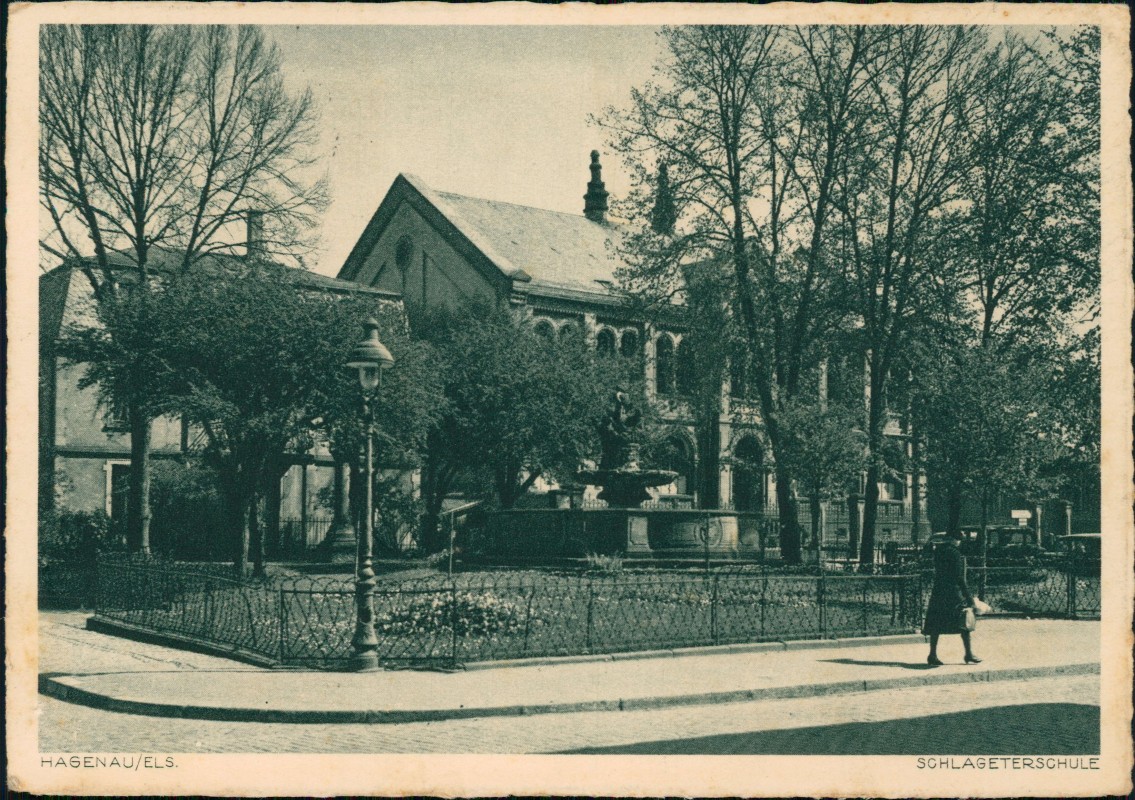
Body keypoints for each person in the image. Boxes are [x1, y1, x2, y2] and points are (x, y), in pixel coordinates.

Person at [922, 530, 981, 666]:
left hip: (938, 592)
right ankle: (968, 654)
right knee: (964, 621)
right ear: (956, 540)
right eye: (959, 540)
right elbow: (959, 577)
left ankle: (932, 655)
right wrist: (969, 599)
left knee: (936, 624)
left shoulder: (938, 551)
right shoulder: (955, 553)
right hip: (953, 593)